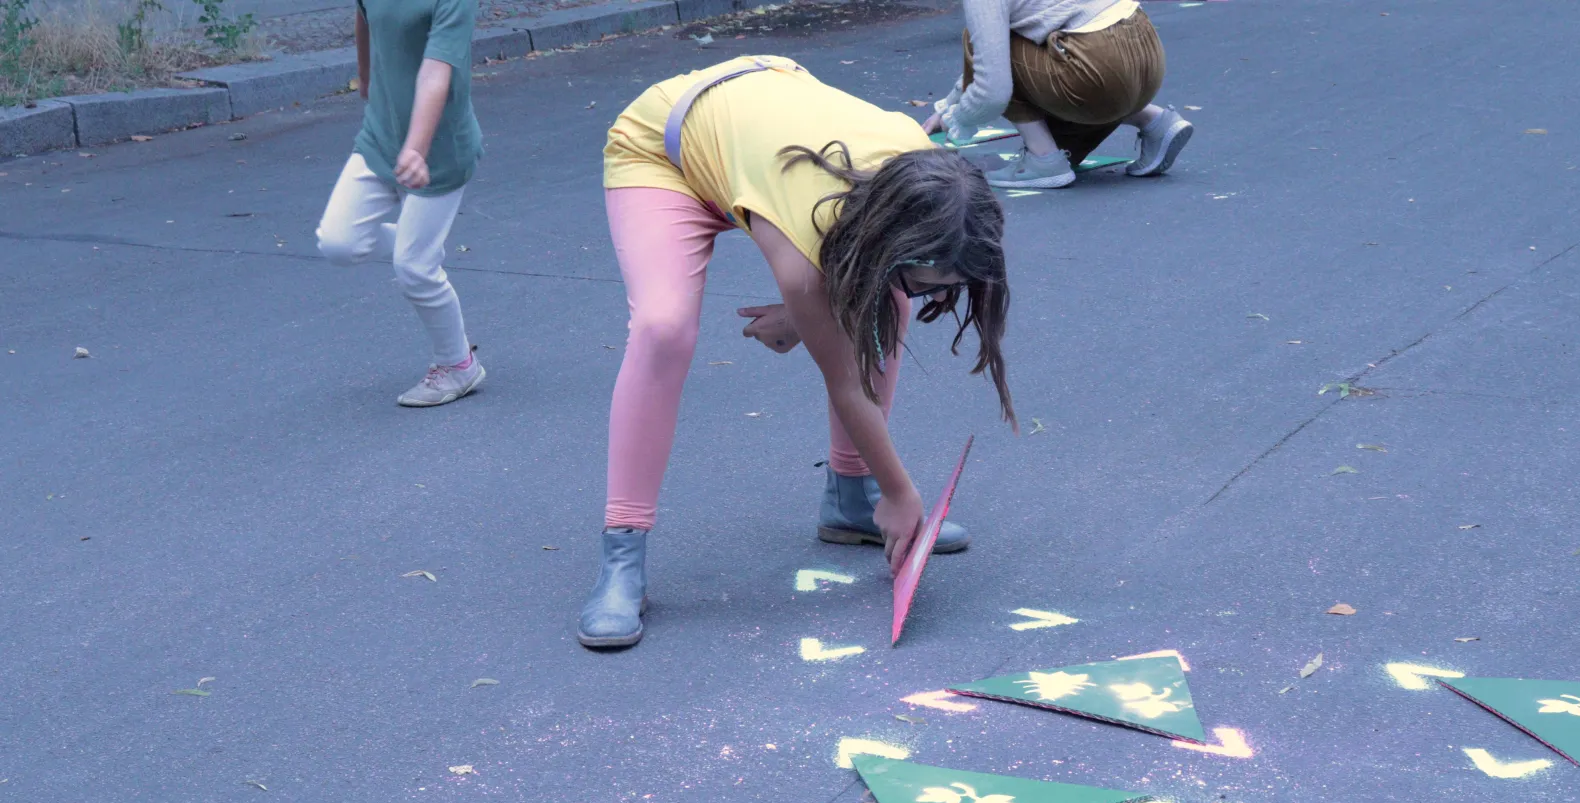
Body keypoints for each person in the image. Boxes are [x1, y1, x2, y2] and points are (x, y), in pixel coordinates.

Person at [582, 55, 1017, 648]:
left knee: (884, 304)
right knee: (663, 327)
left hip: (757, 145)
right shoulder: (814, 238)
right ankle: (622, 554)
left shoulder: (920, 172)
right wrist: (902, 491)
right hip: (665, 150)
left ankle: (850, 500)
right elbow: (845, 377)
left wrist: (806, 313)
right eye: (929, 279)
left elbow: (843, 270)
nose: (938, 293)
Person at [315, 0, 487, 407]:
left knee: (413, 269)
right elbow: (365, 15)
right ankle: (417, 246)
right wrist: (364, 76)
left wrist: (416, 148)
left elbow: (436, 70)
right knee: (338, 243)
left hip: (440, 151)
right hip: (380, 136)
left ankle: (458, 365)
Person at [922, 0, 1194, 190]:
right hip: (1144, 51)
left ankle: (1043, 160)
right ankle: (1154, 121)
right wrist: (948, 105)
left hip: (1098, 68)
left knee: (980, 40)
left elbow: (992, 91)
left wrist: (958, 119)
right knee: (1016, 45)